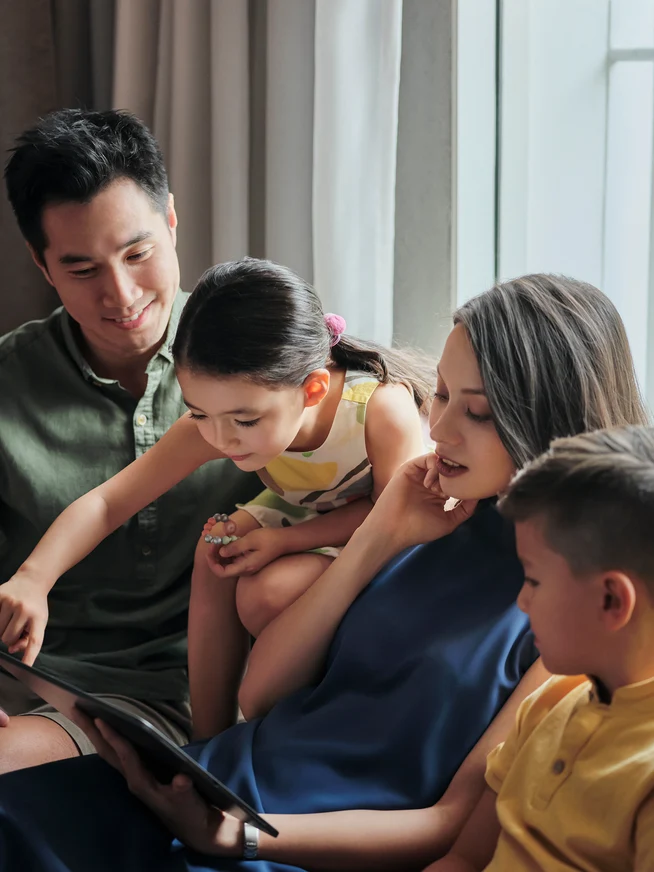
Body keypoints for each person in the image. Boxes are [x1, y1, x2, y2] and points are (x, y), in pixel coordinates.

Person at [0, 274, 646, 872]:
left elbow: (449, 826)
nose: (439, 427)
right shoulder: (428, 513)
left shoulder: (567, 608)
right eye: (442, 394)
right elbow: (264, 698)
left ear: (547, 420)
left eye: (473, 412)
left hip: (280, 843)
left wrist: (237, 837)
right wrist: (379, 534)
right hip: (210, 784)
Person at [0, 256, 429, 738]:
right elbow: (107, 503)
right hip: (306, 512)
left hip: (378, 538)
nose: (222, 440)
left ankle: (288, 736)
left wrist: (289, 542)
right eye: (199, 413)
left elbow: (394, 521)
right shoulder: (222, 421)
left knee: (266, 595)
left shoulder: (380, 410)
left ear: (312, 390)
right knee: (217, 549)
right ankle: (208, 742)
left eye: (245, 422)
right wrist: (34, 577)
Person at [0, 108, 262, 772]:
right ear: (42, 262)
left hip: (184, 694)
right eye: (83, 269)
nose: (120, 295)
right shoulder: (10, 381)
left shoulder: (260, 365)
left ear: (171, 222)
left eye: (137, 253)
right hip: (31, 682)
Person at [427, 425, 654, 872]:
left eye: (532, 580)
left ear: (611, 600)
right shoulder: (547, 703)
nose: (522, 601)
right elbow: (464, 859)